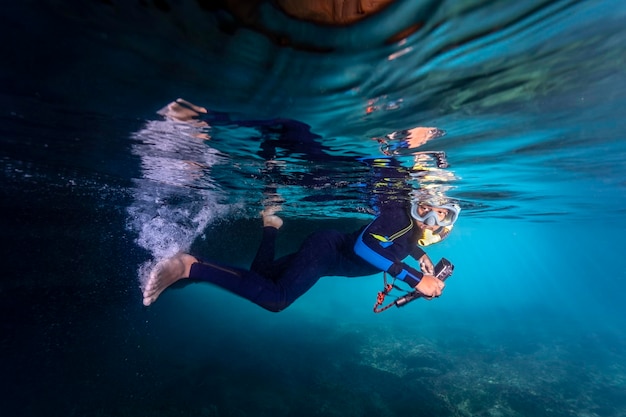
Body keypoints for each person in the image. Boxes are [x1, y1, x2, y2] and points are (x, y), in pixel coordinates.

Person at [141, 198, 461, 312]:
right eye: (425, 210)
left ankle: (272, 225)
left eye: (439, 216)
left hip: (328, 255)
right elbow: (365, 247)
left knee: (262, 276)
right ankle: (189, 268)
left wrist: (417, 255)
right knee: (277, 299)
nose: (430, 220)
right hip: (327, 251)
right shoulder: (398, 216)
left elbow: (398, 241)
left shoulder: (410, 230)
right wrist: (414, 278)